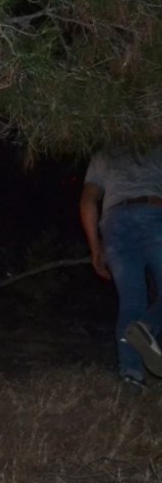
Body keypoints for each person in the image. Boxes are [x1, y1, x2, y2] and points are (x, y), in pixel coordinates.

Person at [79, 146, 162, 390]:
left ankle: (131, 374)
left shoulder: (103, 154)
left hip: (115, 224)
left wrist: (96, 247)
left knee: (131, 302)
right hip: (154, 216)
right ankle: (147, 327)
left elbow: (87, 201)